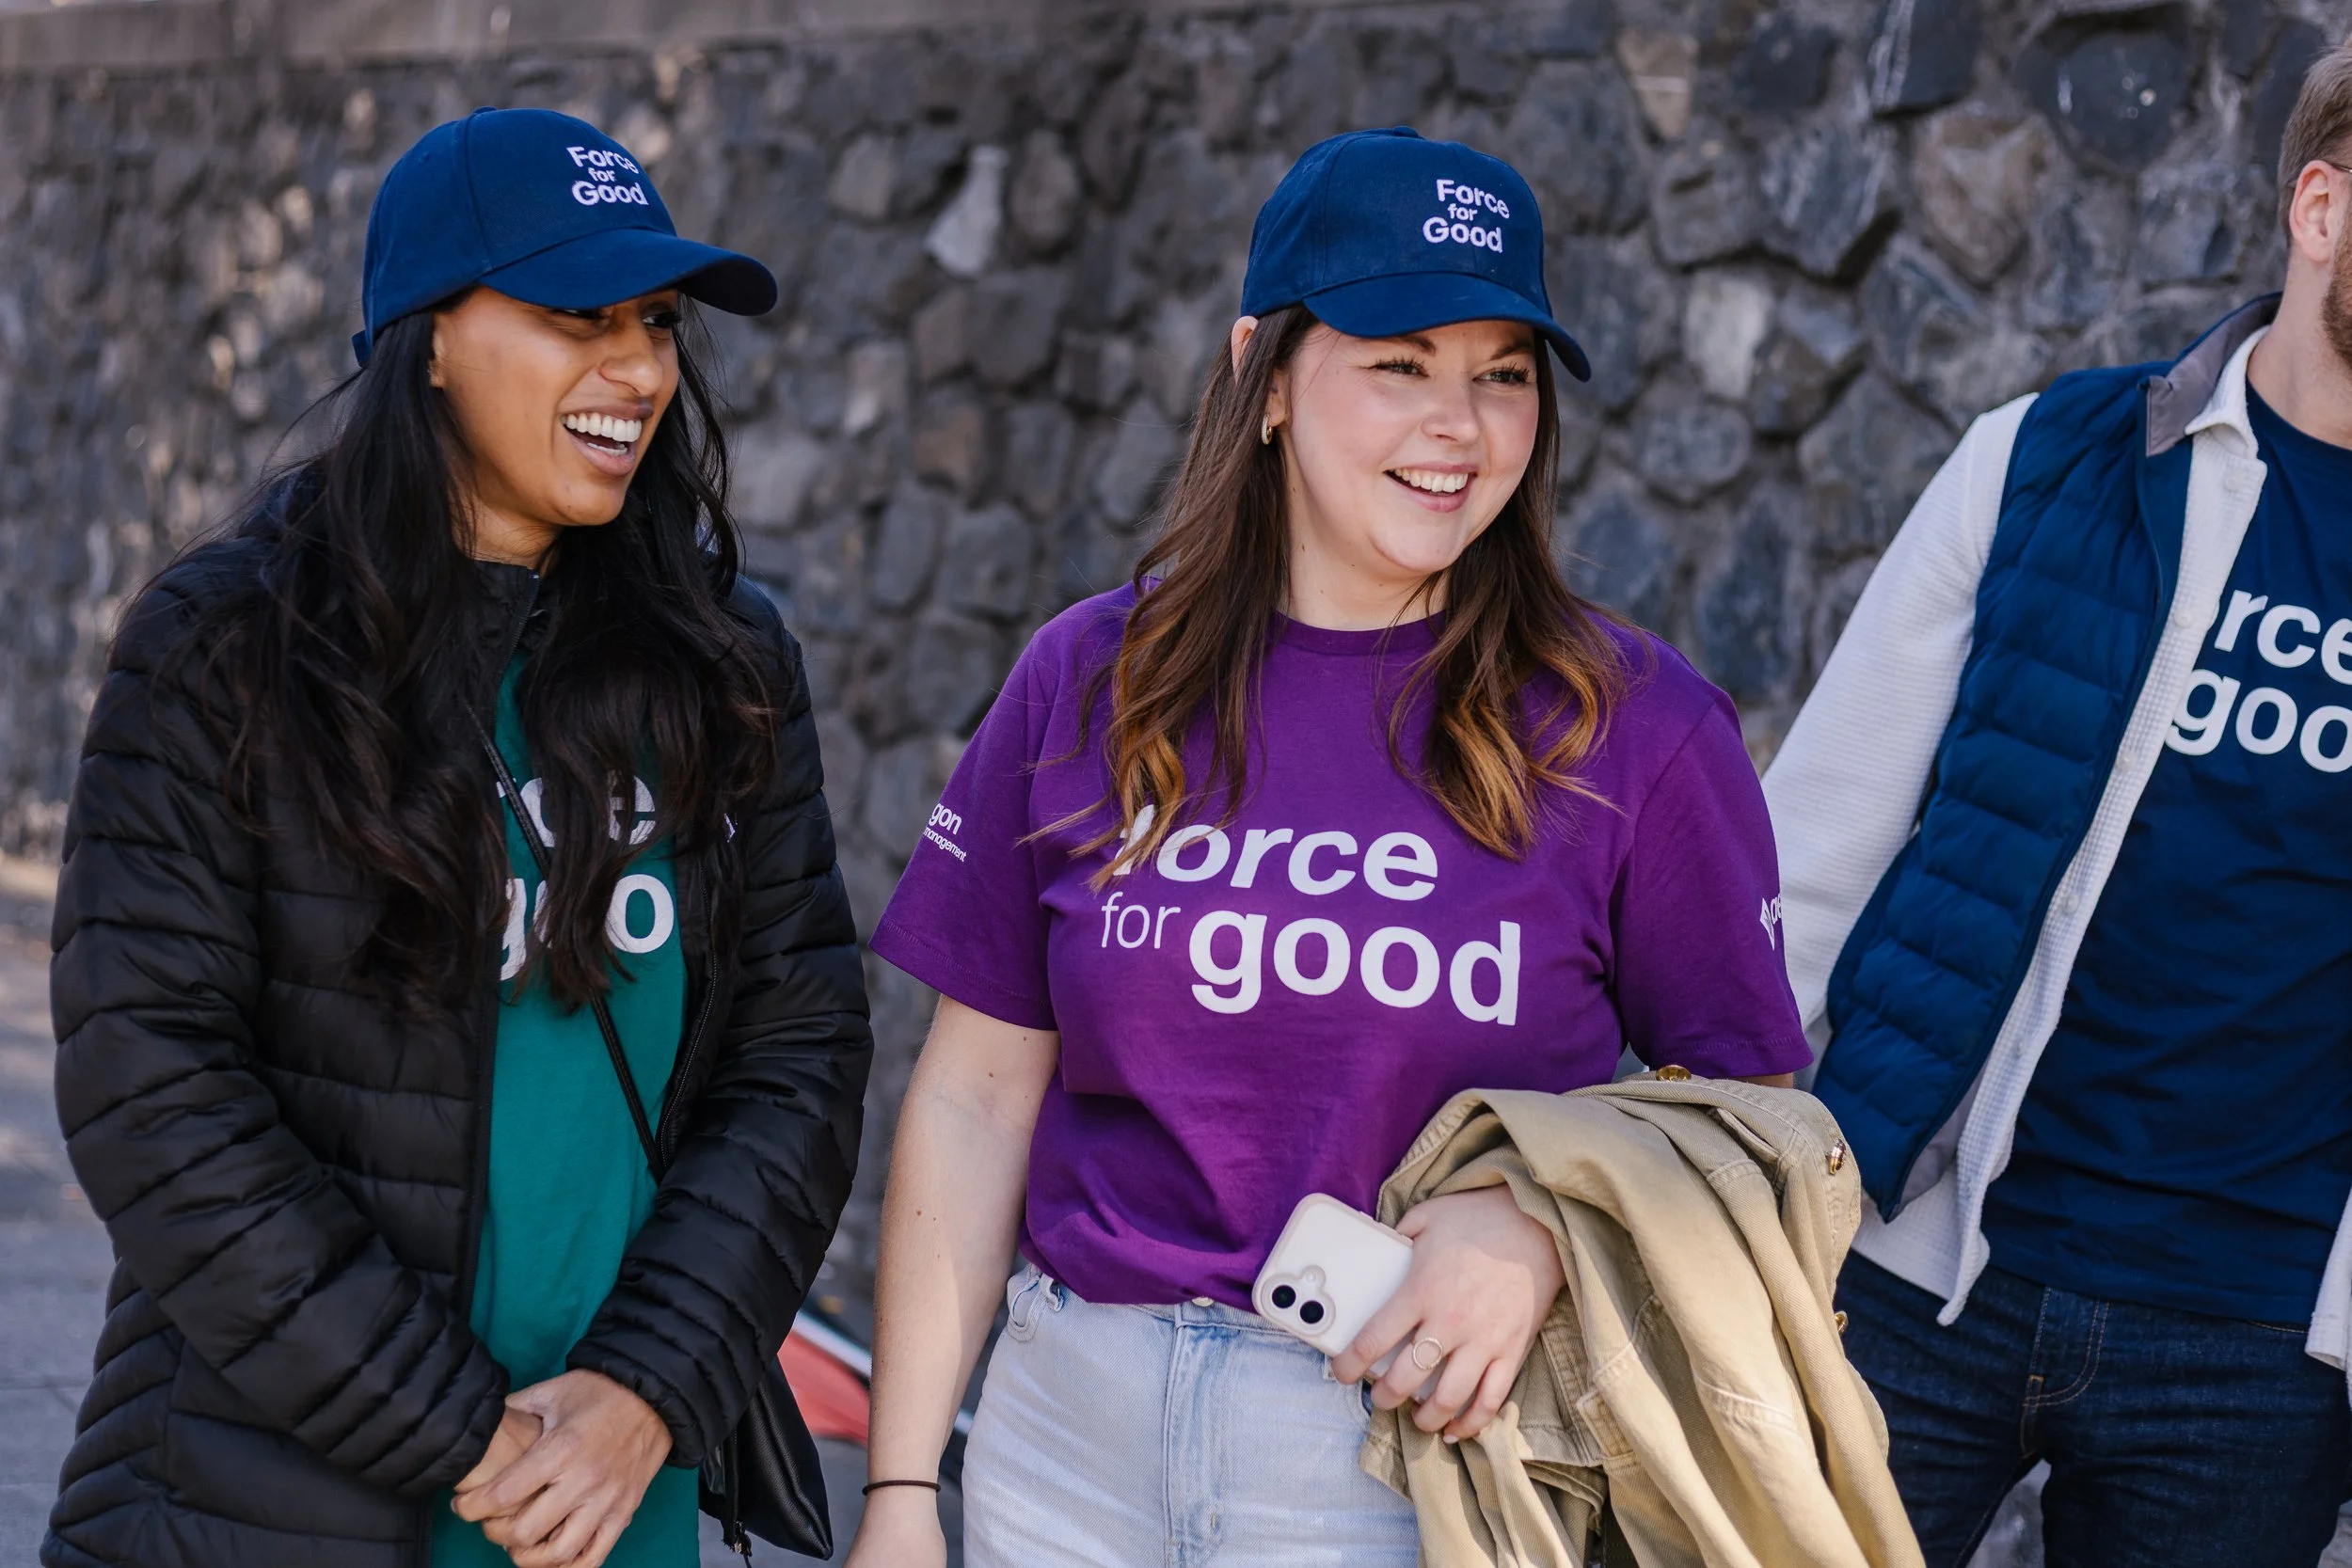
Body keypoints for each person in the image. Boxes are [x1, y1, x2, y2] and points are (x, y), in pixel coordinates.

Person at [844, 127, 1812, 1568]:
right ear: (1266, 376)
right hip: (1062, 1440)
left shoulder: (1636, 727)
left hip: (1406, 1461)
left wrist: (1546, 1220)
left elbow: (1748, 1107)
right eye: (1400, 364)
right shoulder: (1090, 676)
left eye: (1502, 374)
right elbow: (979, 1096)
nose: (1461, 426)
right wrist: (905, 1489)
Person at [43, 108, 870, 1568]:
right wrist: (470, 1438)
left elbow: (794, 1059)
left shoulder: (723, 662)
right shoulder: (228, 645)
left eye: (659, 322)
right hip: (270, 1495)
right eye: (574, 315)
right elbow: (150, 1084)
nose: (638, 368)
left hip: (618, 1491)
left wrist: (643, 1391)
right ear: (425, 337)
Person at [1763, 41, 2352, 1568]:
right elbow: (1804, 868)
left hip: (2261, 1342)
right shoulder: (2049, 463)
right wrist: (1719, 1209)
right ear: (2320, 207)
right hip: (1912, 1256)